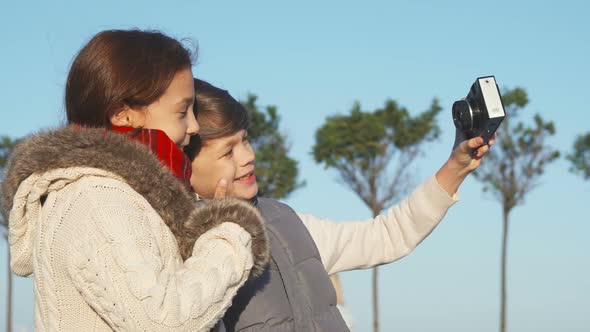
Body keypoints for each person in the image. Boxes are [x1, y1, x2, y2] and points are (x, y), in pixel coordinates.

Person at [1, 30, 268, 332]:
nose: (193, 126)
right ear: (123, 115)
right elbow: (165, 323)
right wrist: (228, 232)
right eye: (182, 111)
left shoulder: (126, 196)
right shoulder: (96, 199)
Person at [185, 78, 495, 331]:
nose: (247, 156)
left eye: (246, 140)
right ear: (187, 166)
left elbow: (387, 236)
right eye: (228, 152)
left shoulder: (285, 220)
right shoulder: (181, 246)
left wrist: (455, 167)